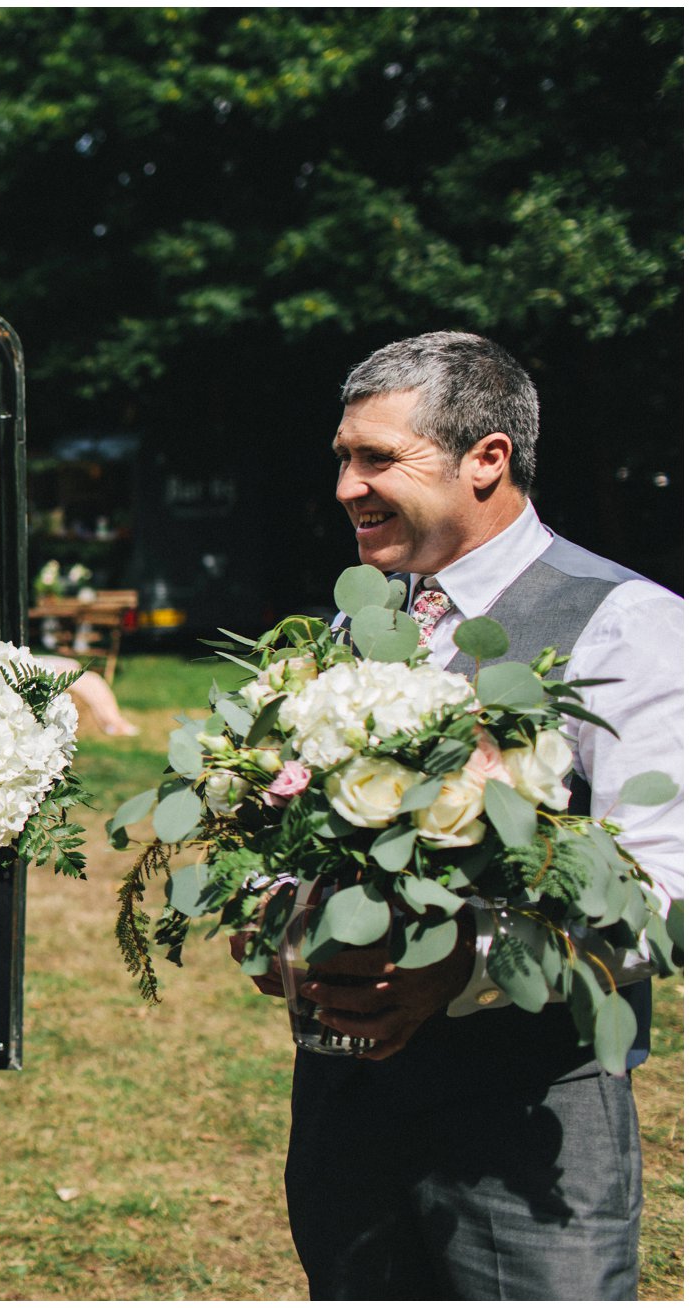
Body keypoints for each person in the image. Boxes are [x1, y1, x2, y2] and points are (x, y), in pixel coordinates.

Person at [268, 331, 682, 1299]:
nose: (345, 486)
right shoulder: (351, 628)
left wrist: (465, 967)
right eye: (342, 457)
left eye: (376, 458)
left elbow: (665, 898)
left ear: (486, 458)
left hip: (525, 1128)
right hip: (347, 1115)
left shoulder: (628, 624)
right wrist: (281, 922)